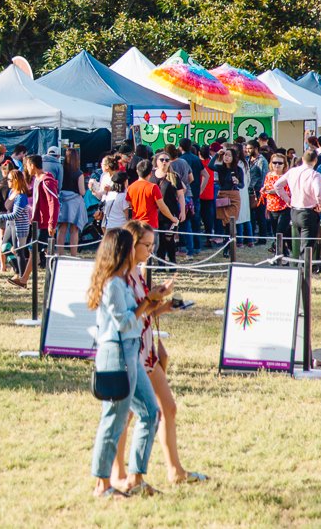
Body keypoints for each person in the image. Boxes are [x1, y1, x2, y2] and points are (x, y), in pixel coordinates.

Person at [111, 220, 209, 489]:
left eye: (152, 244)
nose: (150, 250)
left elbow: (145, 311)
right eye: (146, 245)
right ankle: (119, 473)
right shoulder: (120, 277)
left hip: (147, 351)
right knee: (128, 414)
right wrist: (150, 301)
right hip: (132, 352)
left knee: (168, 407)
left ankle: (175, 470)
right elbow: (128, 315)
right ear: (132, 244)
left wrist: (163, 306)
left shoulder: (137, 273)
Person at [86, 227, 166, 498]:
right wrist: (148, 303)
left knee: (150, 412)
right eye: (131, 247)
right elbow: (123, 321)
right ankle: (102, 483)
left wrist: (151, 302)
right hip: (117, 353)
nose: (135, 251)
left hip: (130, 352)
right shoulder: (113, 284)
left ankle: (136, 477)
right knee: (113, 419)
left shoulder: (121, 282)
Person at [275, 150, 321, 272]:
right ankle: (303, 271)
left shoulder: (292, 171)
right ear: (315, 161)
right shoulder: (315, 175)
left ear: (302, 159)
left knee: (301, 244)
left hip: (294, 211)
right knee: (307, 246)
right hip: (308, 211)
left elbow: (277, 185)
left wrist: (287, 199)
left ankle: (302, 268)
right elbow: (318, 192)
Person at [56, 148, 89, 257]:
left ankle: (60, 254)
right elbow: (82, 191)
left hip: (62, 201)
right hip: (74, 202)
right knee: (74, 230)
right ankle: (73, 255)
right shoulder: (78, 173)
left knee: (62, 229)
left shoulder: (61, 170)